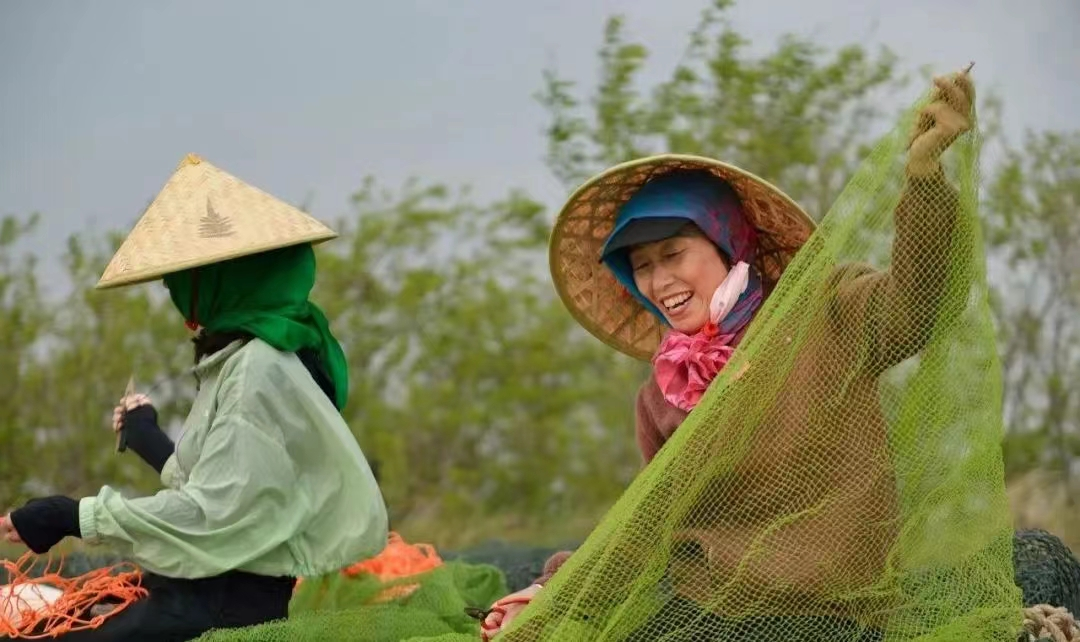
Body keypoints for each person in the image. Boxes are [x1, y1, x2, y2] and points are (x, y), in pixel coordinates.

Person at [480, 69, 975, 641]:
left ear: (726, 242)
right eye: (642, 266)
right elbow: (646, 526)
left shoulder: (828, 309)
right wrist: (550, 597)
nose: (661, 279)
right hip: (704, 611)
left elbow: (919, 306)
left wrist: (924, 180)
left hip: (830, 612)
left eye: (674, 253)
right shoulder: (660, 394)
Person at [0, 154, 388, 641]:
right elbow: (231, 486)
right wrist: (148, 438)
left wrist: (69, 514)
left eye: (183, 277)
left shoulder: (259, 369)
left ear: (223, 277)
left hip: (214, 610)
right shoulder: (264, 356)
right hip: (201, 594)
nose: (173, 289)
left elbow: (212, 515)